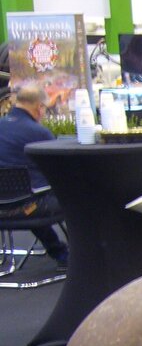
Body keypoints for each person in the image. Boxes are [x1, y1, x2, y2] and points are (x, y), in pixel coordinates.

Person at [0, 84, 69, 268]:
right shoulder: (38, 133)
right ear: (39, 107)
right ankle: (75, 255)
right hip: (29, 207)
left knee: (26, 196)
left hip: (4, 208)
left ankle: (59, 251)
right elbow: (60, 168)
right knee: (73, 197)